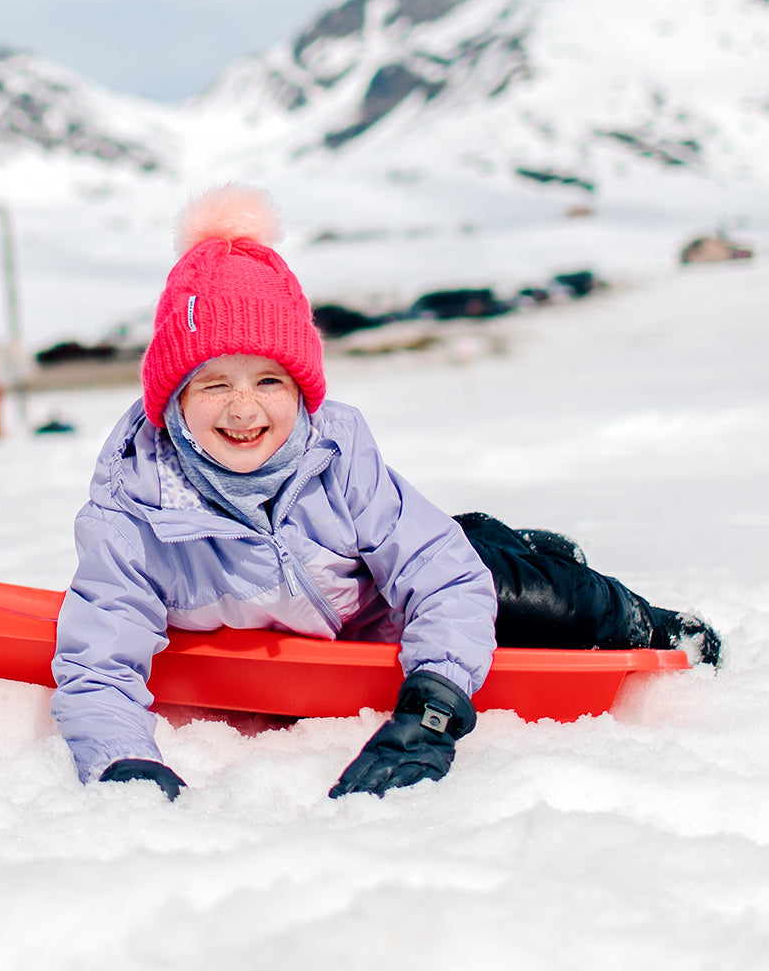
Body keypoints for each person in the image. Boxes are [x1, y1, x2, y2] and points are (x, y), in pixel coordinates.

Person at [51, 184, 721, 801]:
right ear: (173, 400)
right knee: (487, 569)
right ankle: (503, 542)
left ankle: (648, 617)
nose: (244, 409)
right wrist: (122, 763)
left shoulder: (338, 461)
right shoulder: (133, 511)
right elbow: (97, 663)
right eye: (214, 384)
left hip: (405, 600)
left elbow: (445, 582)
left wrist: (433, 706)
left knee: (541, 605)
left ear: (303, 391)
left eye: (270, 381)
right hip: (361, 608)